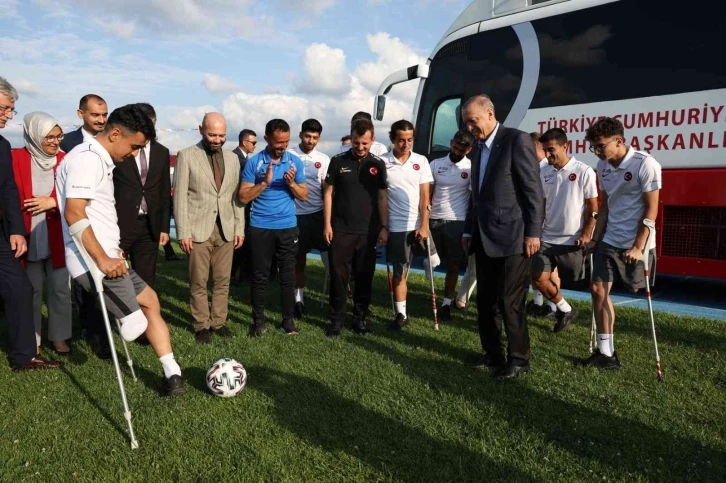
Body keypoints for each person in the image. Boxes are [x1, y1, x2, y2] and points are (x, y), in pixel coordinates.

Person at [56, 103, 184, 395]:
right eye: (134, 146)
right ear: (115, 134)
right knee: (135, 321)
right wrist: (102, 258)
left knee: (150, 299)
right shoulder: (87, 159)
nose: (135, 154)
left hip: (109, 256)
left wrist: (111, 250)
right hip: (93, 261)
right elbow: (74, 213)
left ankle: (172, 373)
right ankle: (126, 323)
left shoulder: (100, 158)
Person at [461, 94, 543, 379]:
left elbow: (533, 191)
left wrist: (533, 232)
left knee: (510, 301)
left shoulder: (516, 140)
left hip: (514, 237)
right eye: (466, 123)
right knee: (485, 301)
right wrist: (469, 229)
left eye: (473, 121)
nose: (469, 127)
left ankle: (518, 359)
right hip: (484, 237)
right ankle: (493, 353)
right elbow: (476, 196)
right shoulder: (476, 149)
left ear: (490, 114)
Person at [585, 117, 661, 369]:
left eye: (601, 145)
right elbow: (605, 206)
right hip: (609, 239)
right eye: (594, 147)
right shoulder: (602, 166)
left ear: (619, 141)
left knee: (634, 289)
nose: (597, 151)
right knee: (598, 290)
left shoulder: (645, 164)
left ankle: (607, 352)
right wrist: (595, 239)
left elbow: (651, 211)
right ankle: (606, 353)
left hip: (636, 243)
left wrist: (638, 247)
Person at [0, 76, 63, 372]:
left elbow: (8, 190)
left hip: (3, 236)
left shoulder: (2, 146)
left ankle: (25, 356)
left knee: (21, 288)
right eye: (4, 108)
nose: (8, 115)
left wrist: (16, 230)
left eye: (10, 110)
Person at [174, 113, 245, 344]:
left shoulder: (233, 159)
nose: (217, 140)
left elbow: (236, 197)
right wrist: (183, 232)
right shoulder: (186, 155)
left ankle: (219, 322)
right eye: (212, 135)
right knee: (199, 280)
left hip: (227, 228)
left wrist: (239, 228)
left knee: (223, 280)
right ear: (201, 129)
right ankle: (201, 325)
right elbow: (180, 197)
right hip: (197, 229)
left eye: (221, 135)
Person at [11, 112, 72, 355]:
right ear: (35, 135)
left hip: (57, 235)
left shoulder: (66, 160)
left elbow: (73, 193)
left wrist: (52, 202)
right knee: (31, 291)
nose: (55, 142)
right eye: (49, 137)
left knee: (60, 289)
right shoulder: (15, 158)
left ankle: (60, 337)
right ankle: (32, 339)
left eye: (59, 136)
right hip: (27, 234)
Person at [240, 119, 308, 337]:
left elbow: (304, 196)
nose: (283, 146)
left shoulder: (294, 162)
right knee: (260, 276)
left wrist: (291, 184)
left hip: (287, 227)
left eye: (286, 141)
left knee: (288, 277)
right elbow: (243, 197)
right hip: (260, 227)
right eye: (279, 142)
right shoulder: (254, 163)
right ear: (267, 138)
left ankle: (287, 321)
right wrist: (264, 183)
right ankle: (258, 321)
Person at [324, 118, 388, 337]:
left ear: (372, 140)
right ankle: (336, 320)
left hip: (368, 231)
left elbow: (382, 197)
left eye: (364, 144)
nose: (360, 147)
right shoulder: (337, 161)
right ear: (351, 140)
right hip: (341, 228)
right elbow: (328, 194)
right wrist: (327, 224)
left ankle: (359, 318)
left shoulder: (378, 164)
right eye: (356, 143)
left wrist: (384, 226)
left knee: (364, 276)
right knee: (338, 276)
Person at [529, 128, 598, 332]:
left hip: (572, 239)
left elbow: (593, 207)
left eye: (551, 149)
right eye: (545, 150)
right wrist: (535, 231)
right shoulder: (544, 171)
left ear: (565, 146)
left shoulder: (584, 171)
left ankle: (562, 309)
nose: (547, 154)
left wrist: (587, 233)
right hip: (547, 237)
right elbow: (541, 205)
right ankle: (566, 309)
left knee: (576, 281)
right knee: (538, 278)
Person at [60, 94, 109, 356]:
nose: (101, 120)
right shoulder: (67, 143)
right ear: (81, 114)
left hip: (104, 220)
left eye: (104, 115)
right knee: (85, 281)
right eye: (95, 115)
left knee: (105, 277)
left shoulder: (110, 141)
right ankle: (90, 328)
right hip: (77, 220)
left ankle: (103, 329)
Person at [381, 120, 438, 331]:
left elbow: (425, 196)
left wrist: (424, 225)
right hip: (396, 227)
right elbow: (381, 197)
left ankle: (429, 263)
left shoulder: (421, 161)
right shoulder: (382, 161)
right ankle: (401, 314)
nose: (406, 145)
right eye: (401, 140)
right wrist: (384, 226)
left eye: (410, 140)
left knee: (434, 261)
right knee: (399, 272)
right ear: (392, 139)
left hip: (418, 224)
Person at [113, 103, 171, 288]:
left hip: (149, 225)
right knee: (114, 276)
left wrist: (164, 227)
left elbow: (164, 191)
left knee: (145, 280)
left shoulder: (162, 152)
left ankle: (143, 307)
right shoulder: (118, 150)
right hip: (120, 222)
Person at [429, 130, 475, 321]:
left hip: (457, 222)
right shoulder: (435, 164)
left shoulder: (471, 168)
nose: (457, 152)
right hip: (433, 220)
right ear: (451, 143)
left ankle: (446, 304)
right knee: (429, 263)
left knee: (453, 266)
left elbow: (473, 199)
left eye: (462, 150)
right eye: (455, 147)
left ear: (469, 150)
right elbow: (428, 193)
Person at [287, 119, 330, 318]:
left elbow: (327, 190)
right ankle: (299, 300)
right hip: (295, 216)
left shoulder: (323, 159)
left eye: (315, 137)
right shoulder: (289, 155)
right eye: (307, 136)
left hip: (318, 216)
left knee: (330, 260)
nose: (310, 141)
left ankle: (340, 297)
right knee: (299, 261)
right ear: (300, 135)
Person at [230, 129, 256, 285]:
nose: (255, 146)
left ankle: (239, 274)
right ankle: (232, 275)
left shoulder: (243, 158)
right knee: (239, 244)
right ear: (245, 142)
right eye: (253, 143)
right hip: (238, 207)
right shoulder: (237, 159)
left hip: (244, 208)